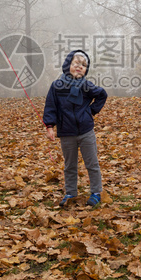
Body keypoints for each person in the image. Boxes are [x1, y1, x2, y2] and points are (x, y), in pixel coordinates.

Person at [43, 49, 107, 207]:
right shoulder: (57, 86)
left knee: (91, 163)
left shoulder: (86, 85)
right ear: (67, 65)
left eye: (84, 65)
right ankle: (71, 192)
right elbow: (51, 106)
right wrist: (50, 126)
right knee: (70, 165)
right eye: (76, 63)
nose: (80, 67)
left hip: (86, 131)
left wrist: (90, 111)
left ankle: (96, 192)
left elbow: (102, 94)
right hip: (66, 132)